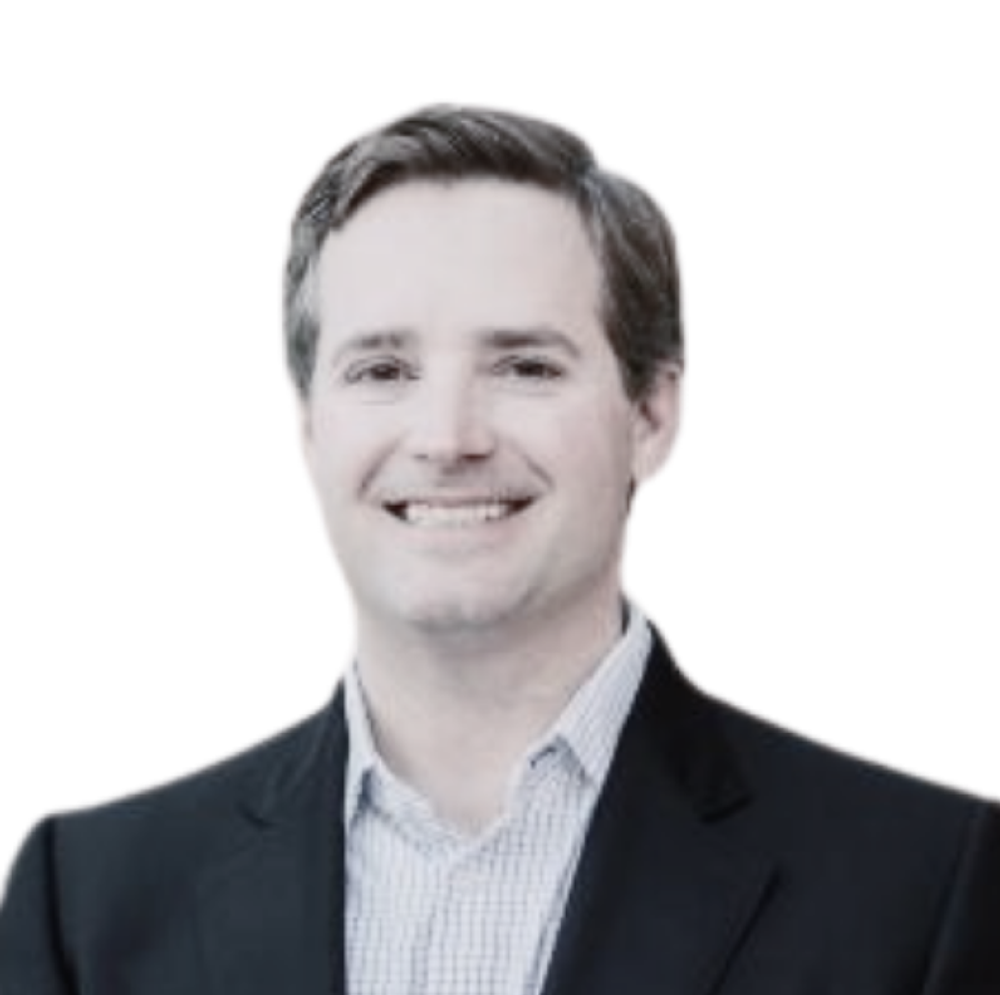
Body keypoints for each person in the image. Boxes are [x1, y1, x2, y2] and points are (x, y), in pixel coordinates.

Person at [1, 104, 997, 994]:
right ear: (311, 424)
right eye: (382, 366)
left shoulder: (923, 888)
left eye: (523, 363)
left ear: (649, 412)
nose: (447, 435)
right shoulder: (84, 905)